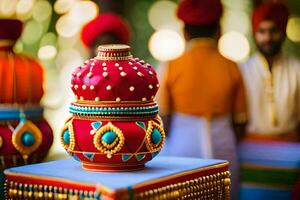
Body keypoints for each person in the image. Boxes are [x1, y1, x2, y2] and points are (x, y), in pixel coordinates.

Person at [158, 0, 247, 199]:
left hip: (182, 146)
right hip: (223, 147)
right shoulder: (232, 67)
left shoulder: (171, 66)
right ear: (219, 30)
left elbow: (164, 119)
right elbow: (240, 122)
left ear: (185, 32)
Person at [239, 2, 300, 199]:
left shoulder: (297, 69)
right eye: (262, 31)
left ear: (282, 32)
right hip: (249, 154)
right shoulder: (242, 71)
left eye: (273, 31)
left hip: (292, 154)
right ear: (255, 33)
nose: (267, 38)